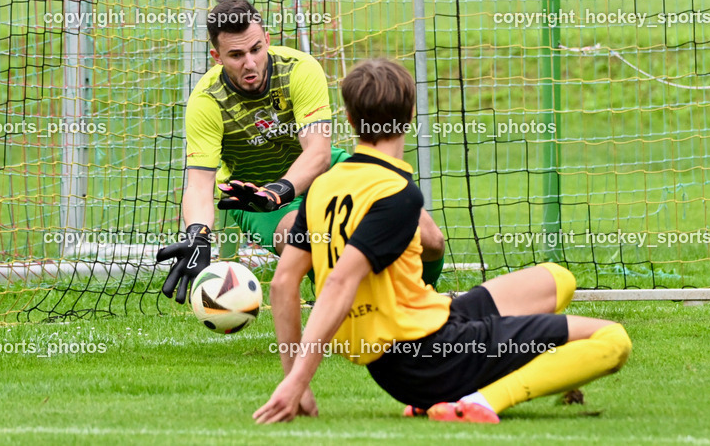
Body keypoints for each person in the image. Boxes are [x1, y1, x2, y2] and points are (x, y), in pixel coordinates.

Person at [253, 58, 631, 424]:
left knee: (556, 278)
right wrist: (297, 383)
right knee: (614, 341)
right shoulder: (396, 194)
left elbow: (283, 283)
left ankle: (512, 366)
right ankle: (478, 401)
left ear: (350, 120)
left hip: (424, 332)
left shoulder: (323, 186)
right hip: (430, 358)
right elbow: (339, 282)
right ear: (411, 115)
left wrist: (291, 374)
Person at [156, 0, 446, 303]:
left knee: (430, 238)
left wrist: (279, 191)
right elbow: (200, 186)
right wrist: (198, 234)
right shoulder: (206, 100)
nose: (250, 63)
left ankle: (421, 299)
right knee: (310, 239)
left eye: (256, 49)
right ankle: (342, 299)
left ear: (267, 39)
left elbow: (318, 153)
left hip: (320, 172)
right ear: (217, 57)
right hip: (255, 197)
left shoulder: (299, 69)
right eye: (236, 55)